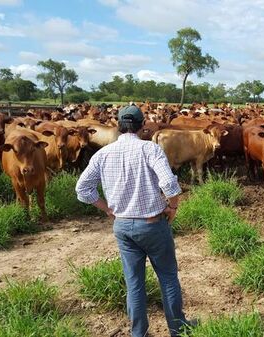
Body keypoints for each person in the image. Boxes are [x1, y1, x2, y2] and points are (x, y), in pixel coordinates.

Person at [75, 105, 192, 337]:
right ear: (142, 125)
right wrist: (173, 206)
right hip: (152, 224)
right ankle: (178, 330)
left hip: (123, 225)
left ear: (119, 125)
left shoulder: (103, 154)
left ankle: (139, 333)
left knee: (134, 282)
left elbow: (82, 189)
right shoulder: (150, 149)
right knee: (168, 277)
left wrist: (107, 208)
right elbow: (169, 184)